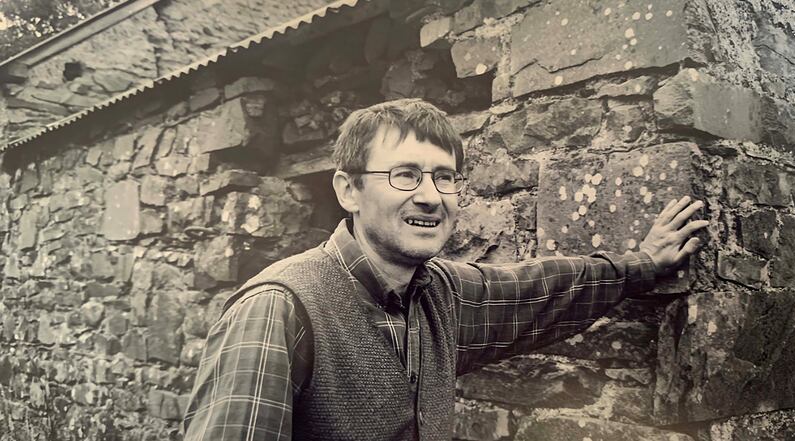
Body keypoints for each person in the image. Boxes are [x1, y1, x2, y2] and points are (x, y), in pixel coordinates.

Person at [182, 98, 709, 441]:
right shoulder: (278, 309)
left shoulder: (440, 295)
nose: (431, 197)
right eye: (406, 175)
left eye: (445, 177)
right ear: (348, 190)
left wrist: (642, 265)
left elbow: (544, 290)